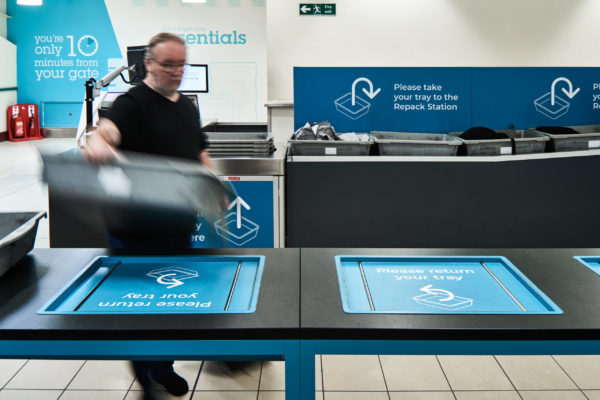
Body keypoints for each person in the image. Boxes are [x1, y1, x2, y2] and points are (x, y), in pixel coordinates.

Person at [84, 32, 211, 400]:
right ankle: (146, 380)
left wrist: (211, 185)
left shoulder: (187, 106)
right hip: (134, 229)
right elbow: (104, 133)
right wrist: (97, 144)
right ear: (149, 65)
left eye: (181, 64)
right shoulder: (131, 103)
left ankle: (162, 368)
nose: (176, 71)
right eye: (169, 64)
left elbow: (199, 151)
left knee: (172, 305)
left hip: (176, 225)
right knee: (140, 309)